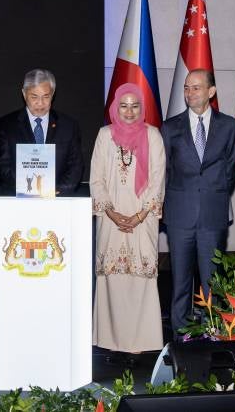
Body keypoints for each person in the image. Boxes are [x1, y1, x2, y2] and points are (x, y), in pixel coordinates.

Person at [160, 69, 235, 334]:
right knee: (181, 282)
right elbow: (165, 171)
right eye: (186, 88)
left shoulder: (228, 126)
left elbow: (230, 169)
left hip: (212, 217)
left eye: (196, 87)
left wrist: (211, 195)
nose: (189, 93)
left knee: (212, 283)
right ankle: (181, 341)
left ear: (211, 92)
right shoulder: (170, 127)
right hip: (179, 216)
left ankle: (212, 336)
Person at [91, 83, 166, 354]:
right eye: (124, 105)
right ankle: (111, 342)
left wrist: (139, 215)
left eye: (135, 105)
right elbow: (96, 179)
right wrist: (111, 212)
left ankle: (141, 342)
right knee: (113, 278)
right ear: (115, 107)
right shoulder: (104, 135)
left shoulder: (153, 135)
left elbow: (158, 180)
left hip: (142, 219)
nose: (130, 111)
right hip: (111, 220)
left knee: (140, 277)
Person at [0, 68, 84, 194]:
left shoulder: (68, 125)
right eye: (34, 97)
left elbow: (76, 166)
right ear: (24, 94)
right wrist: (30, 189)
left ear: (52, 94)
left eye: (46, 97)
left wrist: (57, 190)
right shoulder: (7, 125)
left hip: (58, 200)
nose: (40, 103)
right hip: (18, 199)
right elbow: (2, 166)